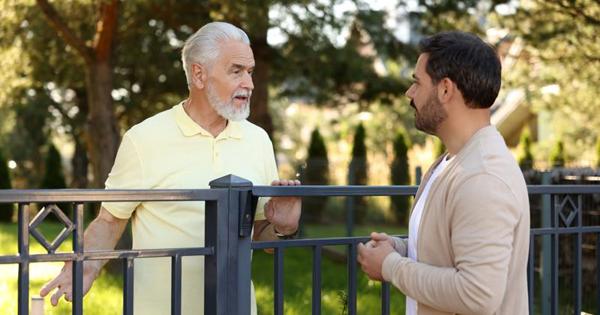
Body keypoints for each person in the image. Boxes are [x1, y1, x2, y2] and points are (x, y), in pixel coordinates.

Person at [40, 22, 301, 315]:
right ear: (199, 74)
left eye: (250, 72)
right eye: (236, 70)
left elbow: (257, 237)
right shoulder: (144, 139)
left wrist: (283, 228)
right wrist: (86, 266)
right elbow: (110, 221)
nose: (249, 84)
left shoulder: (258, 140)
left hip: (235, 308)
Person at [357, 31, 530, 315]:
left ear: (445, 89)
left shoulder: (482, 177)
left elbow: (477, 295)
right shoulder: (453, 162)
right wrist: (401, 249)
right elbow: (449, 253)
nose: (409, 93)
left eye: (417, 82)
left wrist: (390, 266)